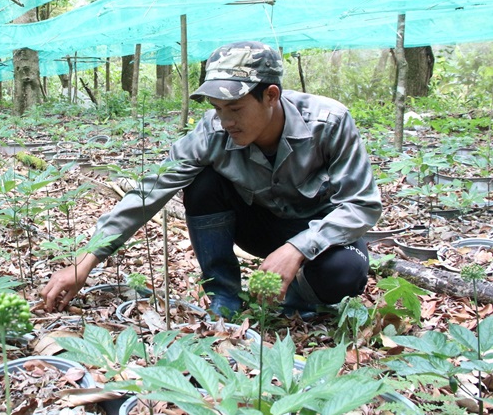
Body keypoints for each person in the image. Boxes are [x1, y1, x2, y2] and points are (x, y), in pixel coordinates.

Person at [41, 41, 381, 318]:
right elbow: (150, 191)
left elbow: (361, 206)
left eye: (235, 108)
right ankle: (224, 296)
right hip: (258, 227)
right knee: (202, 181)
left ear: (271, 95)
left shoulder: (328, 122)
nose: (225, 120)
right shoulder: (212, 131)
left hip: (320, 236)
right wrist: (85, 260)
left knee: (346, 272)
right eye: (217, 108)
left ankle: (296, 302)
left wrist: (297, 249)